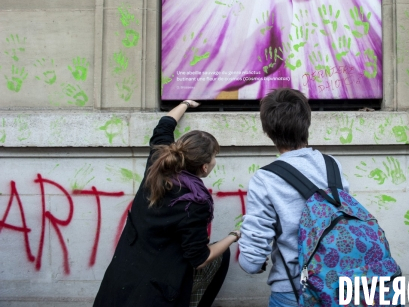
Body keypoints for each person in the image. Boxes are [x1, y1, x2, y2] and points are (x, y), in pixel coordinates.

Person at [93, 100, 240, 307]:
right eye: (214, 157)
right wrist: (234, 236)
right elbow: (199, 258)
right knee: (220, 255)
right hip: (155, 293)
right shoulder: (195, 203)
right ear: (205, 168)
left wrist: (185, 103)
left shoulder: (157, 164)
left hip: (120, 280)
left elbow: (164, 124)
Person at [238, 88, 350, 307]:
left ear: (268, 131)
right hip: (338, 285)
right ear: (306, 123)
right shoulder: (331, 164)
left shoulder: (266, 178)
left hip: (293, 291)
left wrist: (253, 261)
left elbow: (252, 262)